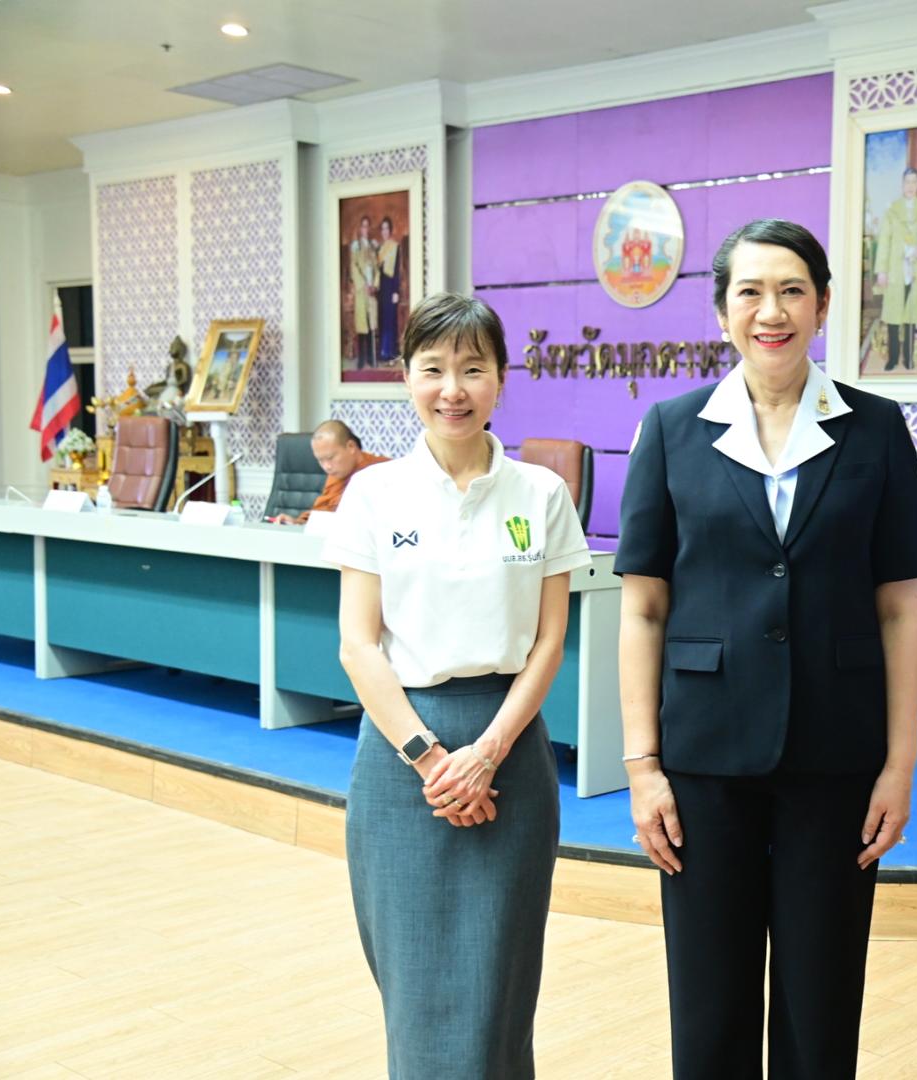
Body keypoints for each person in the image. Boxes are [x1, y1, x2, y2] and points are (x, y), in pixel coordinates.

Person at [616, 218, 917, 1079]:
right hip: (703, 755)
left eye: (792, 290)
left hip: (836, 753)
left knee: (820, 1002)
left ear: (822, 305)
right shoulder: (672, 429)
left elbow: (898, 608)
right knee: (709, 1002)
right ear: (722, 311)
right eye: (750, 292)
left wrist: (899, 764)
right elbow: (643, 609)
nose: (772, 311)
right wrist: (642, 767)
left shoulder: (876, 428)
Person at [322, 292, 591, 1079]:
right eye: (433, 369)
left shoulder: (540, 493)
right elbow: (358, 645)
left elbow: (549, 643)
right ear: (406, 377)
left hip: (509, 751)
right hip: (401, 758)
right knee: (416, 988)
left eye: (473, 369)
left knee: (499, 989)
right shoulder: (373, 494)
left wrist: (487, 754)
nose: (453, 389)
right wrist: (433, 759)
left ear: (501, 378)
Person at [873, 166, 917, 371]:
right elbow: (884, 241)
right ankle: (893, 358)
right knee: (893, 315)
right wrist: (881, 271)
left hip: (915, 268)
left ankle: (909, 357)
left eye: (913, 182)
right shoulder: (892, 209)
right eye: (906, 182)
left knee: (911, 315)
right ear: (902, 185)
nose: (910, 186)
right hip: (895, 268)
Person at [269, 420, 389, 525]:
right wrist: (296, 522)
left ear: (351, 446)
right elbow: (322, 513)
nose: (326, 466)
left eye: (331, 458)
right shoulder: (338, 474)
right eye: (320, 460)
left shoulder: (382, 471)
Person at [349, 215, 380, 369]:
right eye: (363, 226)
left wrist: (374, 285)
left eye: (368, 226)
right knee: (362, 326)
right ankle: (361, 359)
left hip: (371, 292)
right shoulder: (356, 246)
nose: (365, 229)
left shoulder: (373, 247)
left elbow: (377, 269)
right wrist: (363, 285)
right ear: (360, 229)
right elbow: (353, 267)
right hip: (362, 291)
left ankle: (371, 358)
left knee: (371, 324)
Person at [376, 217, 404, 362]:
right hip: (380, 288)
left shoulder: (395, 247)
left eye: (387, 228)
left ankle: (390, 351)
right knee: (382, 318)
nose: (384, 231)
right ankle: (382, 351)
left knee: (390, 319)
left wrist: (396, 291)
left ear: (390, 230)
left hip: (390, 287)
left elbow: (396, 270)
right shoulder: (379, 248)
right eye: (382, 228)